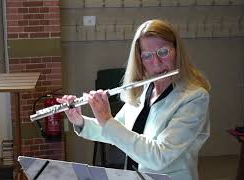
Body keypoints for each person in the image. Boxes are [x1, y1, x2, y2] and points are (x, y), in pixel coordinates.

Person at [57, 19, 211, 180]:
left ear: (177, 51)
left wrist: (106, 119)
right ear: (140, 60)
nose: (156, 63)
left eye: (163, 52)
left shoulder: (194, 98)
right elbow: (115, 131)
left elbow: (159, 157)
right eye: (147, 56)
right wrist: (80, 121)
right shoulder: (143, 90)